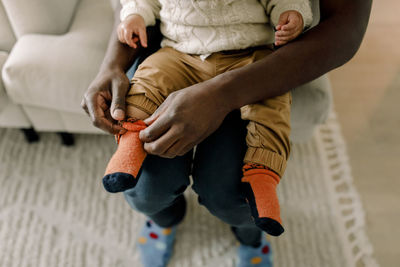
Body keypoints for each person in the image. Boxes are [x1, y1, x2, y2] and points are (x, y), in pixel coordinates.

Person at [81, 0, 372, 266]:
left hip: (249, 60)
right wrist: (114, 61)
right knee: (146, 190)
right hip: (174, 52)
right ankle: (162, 216)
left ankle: (253, 225)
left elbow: (344, 28)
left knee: (233, 195)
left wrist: (290, 14)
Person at [103, 0, 313, 239]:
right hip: (180, 52)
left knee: (271, 108)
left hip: (249, 55)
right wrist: (135, 16)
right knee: (149, 80)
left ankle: (261, 181)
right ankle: (132, 144)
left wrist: (292, 14)